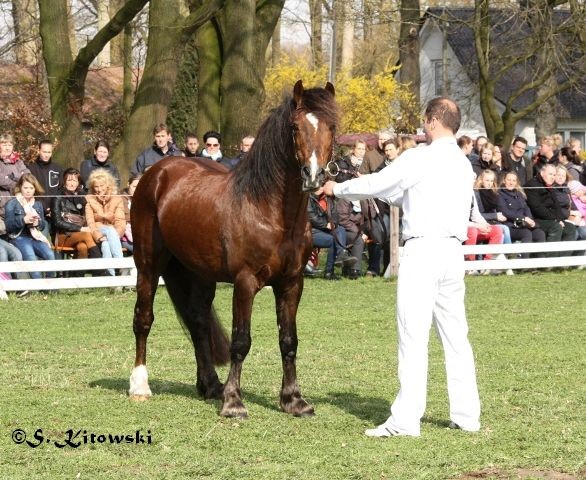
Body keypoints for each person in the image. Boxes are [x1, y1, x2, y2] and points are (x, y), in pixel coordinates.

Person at [323, 97, 481, 437]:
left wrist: (338, 188)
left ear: (434, 121)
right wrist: (378, 193)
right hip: (453, 253)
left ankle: (406, 419)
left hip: (423, 251)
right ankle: (467, 416)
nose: (423, 127)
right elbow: (405, 193)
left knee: (413, 334)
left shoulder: (419, 157)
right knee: (456, 336)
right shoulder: (463, 163)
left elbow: (378, 184)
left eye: (426, 120)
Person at [4, 173, 55, 279]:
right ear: (20, 188)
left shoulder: (37, 204)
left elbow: (42, 225)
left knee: (50, 255)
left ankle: (51, 287)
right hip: (18, 237)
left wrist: (38, 223)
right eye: (25, 187)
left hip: (35, 237)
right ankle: (37, 286)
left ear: (35, 189)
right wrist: (23, 220)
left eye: (31, 188)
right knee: (31, 257)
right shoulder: (12, 203)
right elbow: (8, 226)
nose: (28, 190)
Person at [307, 186, 357, 280]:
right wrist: (326, 224)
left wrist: (334, 223)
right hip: (310, 232)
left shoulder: (328, 199)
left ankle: (341, 254)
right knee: (334, 240)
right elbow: (311, 216)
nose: (324, 188)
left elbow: (335, 215)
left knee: (340, 229)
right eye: (322, 185)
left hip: (325, 230)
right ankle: (330, 271)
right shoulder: (307, 198)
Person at [525, 163, 576, 254]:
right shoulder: (532, 185)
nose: (552, 177)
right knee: (555, 227)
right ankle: (549, 260)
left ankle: (563, 261)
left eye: (554, 175)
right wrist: (555, 219)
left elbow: (556, 206)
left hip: (550, 218)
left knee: (570, 228)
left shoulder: (549, 186)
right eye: (550, 174)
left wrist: (560, 219)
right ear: (542, 173)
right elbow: (536, 208)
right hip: (536, 219)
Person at [51, 168, 101, 260]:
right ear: (64, 181)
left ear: (78, 182)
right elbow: (57, 222)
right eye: (69, 180)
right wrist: (80, 228)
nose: (72, 183)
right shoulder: (57, 197)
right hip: (63, 235)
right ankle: (102, 270)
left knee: (82, 247)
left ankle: (77, 274)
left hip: (80, 235)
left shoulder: (83, 196)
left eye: (75, 180)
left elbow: (89, 215)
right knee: (86, 235)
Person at [85, 169, 126, 276]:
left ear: (108, 185)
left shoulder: (117, 199)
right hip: (99, 230)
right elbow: (91, 223)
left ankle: (111, 277)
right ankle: (121, 267)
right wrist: (98, 236)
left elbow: (120, 221)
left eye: (101, 185)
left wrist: (115, 235)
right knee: (108, 232)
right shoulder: (89, 201)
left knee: (106, 245)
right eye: (96, 187)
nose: (99, 189)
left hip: (113, 233)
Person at [497, 171, 546, 257]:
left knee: (539, 233)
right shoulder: (500, 194)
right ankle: (524, 264)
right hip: (510, 224)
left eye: (513, 180)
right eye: (509, 180)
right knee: (526, 233)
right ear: (504, 180)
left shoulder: (519, 194)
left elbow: (526, 208)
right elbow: (505, 212)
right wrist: (523, 218)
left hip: (521, 222)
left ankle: (540, 262)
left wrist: (530, 220)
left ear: (516, 182)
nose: (511, 182)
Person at [27, 139, 63, 223]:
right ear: (39, 151)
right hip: (37, 210)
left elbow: (60, 189)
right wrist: (43, 207)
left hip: (55, 211)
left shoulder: (57, 168)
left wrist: (54, 207)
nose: (47, 155)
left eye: (49, 152)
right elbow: (30, 191)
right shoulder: (31, 168)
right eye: (44, 152)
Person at [120, 175, 141, 253]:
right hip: (125, 235)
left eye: (140, 186)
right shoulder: (120, 198)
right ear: (128, 184)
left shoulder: (143, 198)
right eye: (134, 186)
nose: (137, 189)